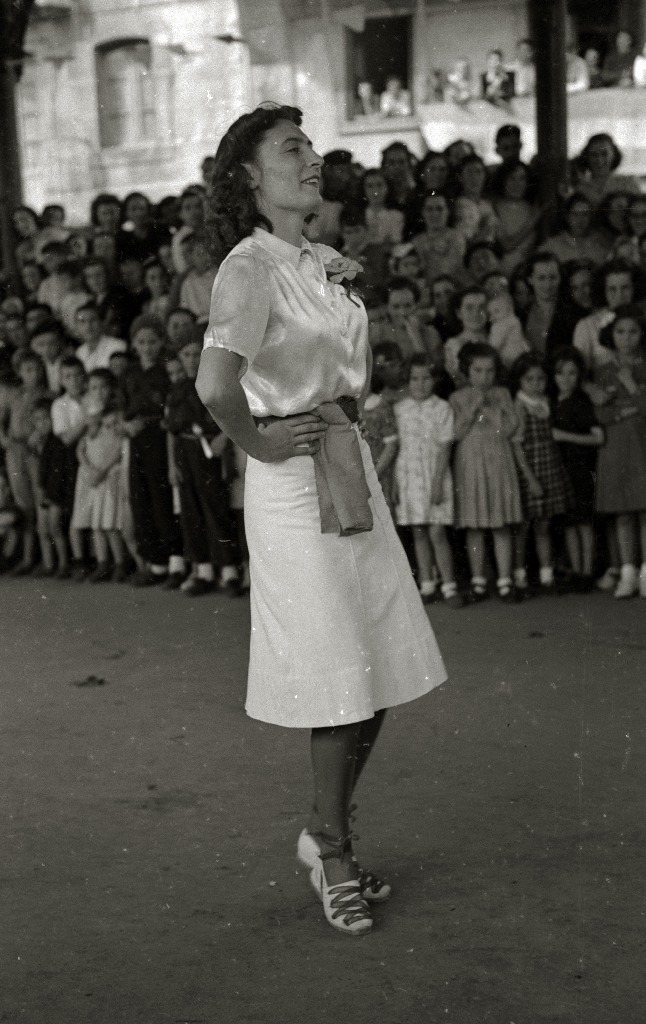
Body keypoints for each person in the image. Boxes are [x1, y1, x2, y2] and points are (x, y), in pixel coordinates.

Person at [196, 104, 447, 936]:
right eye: (291, 148)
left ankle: (321, 832)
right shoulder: (248, 268)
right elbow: (214, 387)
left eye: (310, 146)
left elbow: (343, 367)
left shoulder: (313, 260)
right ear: (248, 176)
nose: (312, 159)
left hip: (347, 466)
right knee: (340, 672)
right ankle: (332, 851)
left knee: (378, 666)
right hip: (294, 481)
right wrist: (260, 444)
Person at [449, 342, 522, 601]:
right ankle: (478, 581)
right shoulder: (457, 398)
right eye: (478, 371)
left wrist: (493, 410)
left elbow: (511, 428)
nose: (484, 377)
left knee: (500, 522)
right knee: (475, 524)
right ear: (467, 371)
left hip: (498, 460)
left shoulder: (502, 394)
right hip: (471, 462)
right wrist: (473, 408)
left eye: (490, 371)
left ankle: (505, 580)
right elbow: (455, 433)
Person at [394, 355, 462, 608]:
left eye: (426, 378)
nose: (420, 384)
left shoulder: (442, 408)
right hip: (409, 476)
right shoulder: (400, 409)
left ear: (435, 380)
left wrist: (437, 482)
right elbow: (398, 447)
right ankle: (427, 584)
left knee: (437, 531)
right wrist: (395, 483)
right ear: (407, 380)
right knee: (418, 531)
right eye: (415, 379)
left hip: (435, 475)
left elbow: (445, 448)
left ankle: (449, 585)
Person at [592, 306, 646, 598]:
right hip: (616, 446)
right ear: (611, 335)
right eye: (620, 332)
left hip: (642, 443)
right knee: (623, 513)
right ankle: (627, 571)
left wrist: (630, 386)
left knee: (644, 510)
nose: (626, 338)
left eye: (633, 332)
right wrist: (627, 410)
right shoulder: (603, 371)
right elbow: (600, 413)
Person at [509, 353, 573, 595]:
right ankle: (519, 576)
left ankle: (547, 575)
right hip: (530, 471)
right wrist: (530, 479)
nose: (536, 384)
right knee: (523, 527)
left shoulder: (545, 402)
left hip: (549, 467)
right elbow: (517, 446)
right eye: (529, 379)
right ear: (520, 381)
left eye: (540, 379)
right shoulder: (520, 406)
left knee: (544, 525)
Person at [550, 346, 604, 591]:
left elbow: (598, 437)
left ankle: (587, 571)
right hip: (561, 469)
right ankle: (576, 570)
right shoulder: (552, 401)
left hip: (580, 467)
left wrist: (563, 436)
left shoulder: (580, 403)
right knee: (569, 522)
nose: (566, 378)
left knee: (583, 521)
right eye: (560, 373)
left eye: (572, 373)